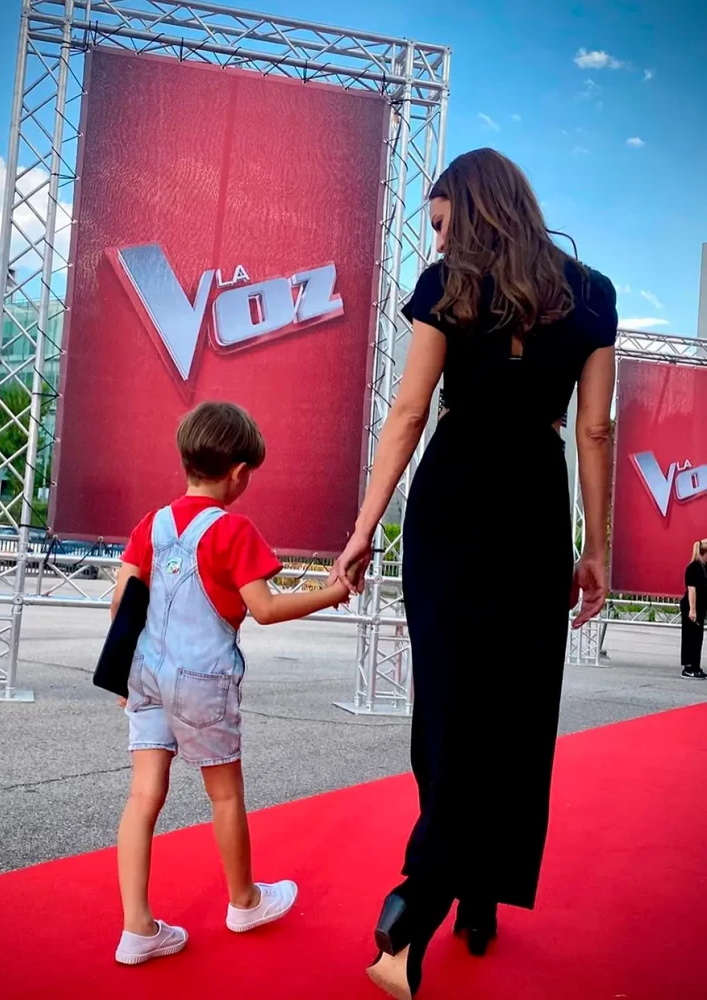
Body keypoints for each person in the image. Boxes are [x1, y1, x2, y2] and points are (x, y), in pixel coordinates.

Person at [332, 148, 617, 998]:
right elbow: (594, 433)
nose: (439, 230)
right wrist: (594, 548)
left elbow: (411, 411)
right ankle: (476, 896)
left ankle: (422, 896)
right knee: (517, 711)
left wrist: (364, 524)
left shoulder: (447, 282)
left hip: (452, 497)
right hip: (533, 498)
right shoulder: (592, 291)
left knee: (450, 705)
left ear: (469, 202)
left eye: (442, 214)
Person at [111, 401, 350, 966]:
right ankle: (243, 901)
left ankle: (137, 927)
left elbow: (124, 599)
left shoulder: (153, 523)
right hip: (204, 685)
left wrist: (122, 674)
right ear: (239, 473)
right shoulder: (233, 530)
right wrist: (334, 594)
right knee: (224, 795)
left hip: (145, 676)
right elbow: (263, 609)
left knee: (143, 797)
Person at [680, 540, 707, 679]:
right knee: (690, 636)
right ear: (704, 553)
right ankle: (688, 667)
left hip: (701, 607)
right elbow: (692, 589)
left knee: (698, 637)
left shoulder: (704, 567)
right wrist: (692, 609)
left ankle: (696, 666)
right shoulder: (694, 567)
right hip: (691, 606)